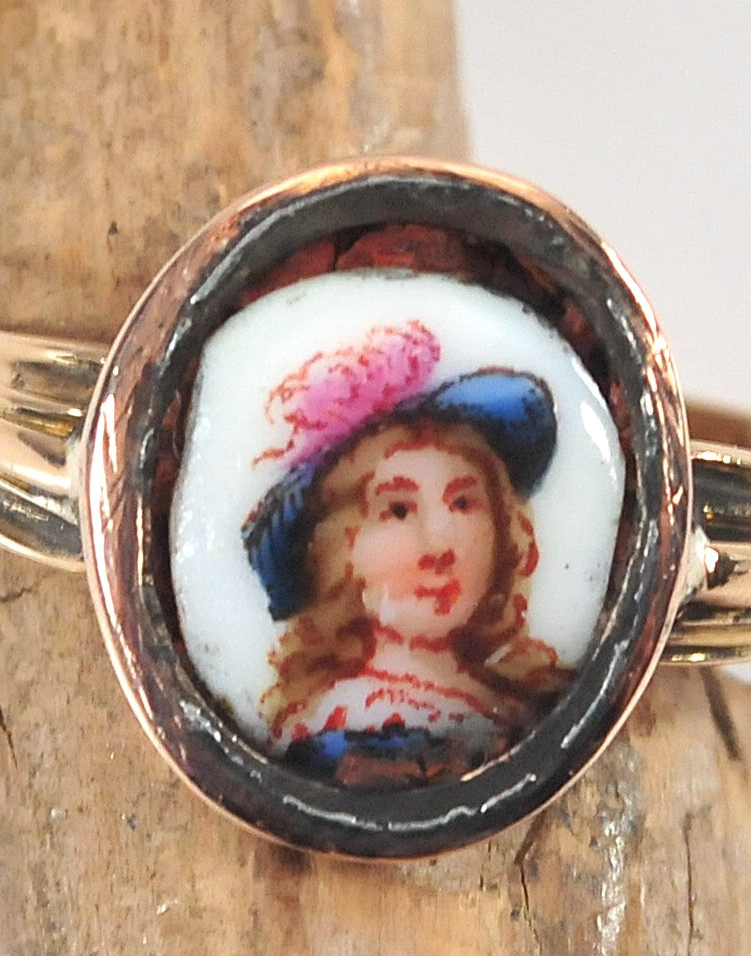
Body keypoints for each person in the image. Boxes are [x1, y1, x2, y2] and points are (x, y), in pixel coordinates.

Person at [241, 321, 570, 787]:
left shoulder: (517, 709)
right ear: (341, 549)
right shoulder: (341, 727)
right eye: (397, 510)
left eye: (463, 503)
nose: (440, 545)